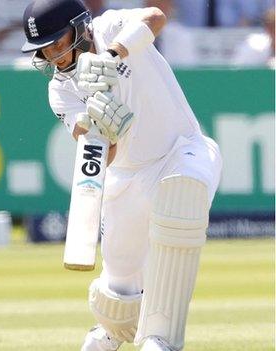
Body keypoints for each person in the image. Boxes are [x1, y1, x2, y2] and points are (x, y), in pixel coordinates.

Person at [20, 1, 222, 350]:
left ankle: (161, 338)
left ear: (80, 26)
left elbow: (155, 17)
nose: (54, 57)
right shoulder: (61, 90)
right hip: (126, 179)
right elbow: (101, 154)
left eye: (57, 43)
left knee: (181, 201)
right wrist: (100, 128)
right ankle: (109, 334)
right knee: (119, 294)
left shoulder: (110, 27)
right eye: (45, 49)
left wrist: (112, 56)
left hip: (182, 151)